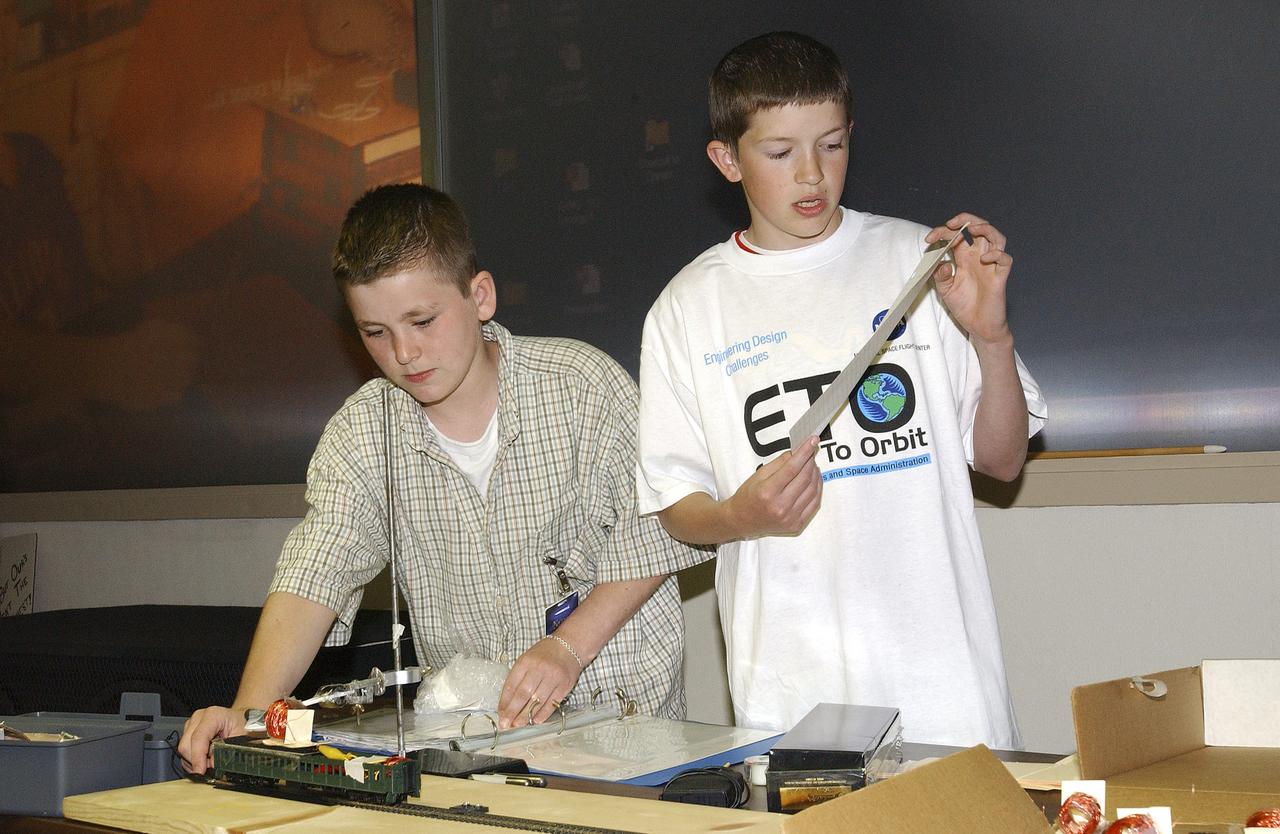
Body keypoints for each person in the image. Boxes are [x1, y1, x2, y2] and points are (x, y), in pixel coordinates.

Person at [179, 183, 708, 772]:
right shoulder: (362, 432)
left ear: (480, 296)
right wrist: (250, 713)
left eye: (423, 320)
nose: (404, 352)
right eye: (375, 332)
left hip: (628, 739)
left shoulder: (582, 386)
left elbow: (664, 529)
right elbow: (315, 572)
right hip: (478, 756)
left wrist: (567, 647)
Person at [636, 31, 1047, 749]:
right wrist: (741, 514)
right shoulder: (688, 307)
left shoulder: (919, 261)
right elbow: (675, 507)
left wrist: (992, 338)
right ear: (726, 159)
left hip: (944, 685)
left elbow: (1004, 463)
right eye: (780, 152)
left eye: (831, 145)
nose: (812, 176)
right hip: (792, 690)